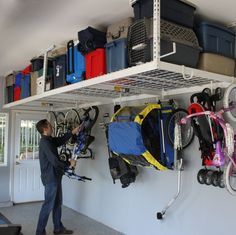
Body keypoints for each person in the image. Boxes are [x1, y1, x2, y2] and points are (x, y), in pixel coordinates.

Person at [35, 119, 79, 235]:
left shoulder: (49, 140)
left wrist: (72, 132)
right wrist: (70, 163)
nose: (52, 127)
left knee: (57, 203)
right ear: (45, 129)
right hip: (50, 179)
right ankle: (39, 232)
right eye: (50, 126)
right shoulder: (45, 143)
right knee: (48, 205)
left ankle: (58, 228)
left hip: (55, 176)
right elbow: (55, 161)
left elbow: (60, 140)